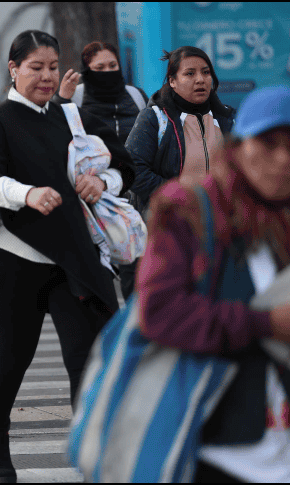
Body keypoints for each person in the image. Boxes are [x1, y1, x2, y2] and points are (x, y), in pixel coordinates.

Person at [0, 30, 134, 483]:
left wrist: (105, 184)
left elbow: (122, 163)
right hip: (11, 260)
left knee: (86, 357)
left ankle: (93, 450)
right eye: (35, 67)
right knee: (13, 355)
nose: (46, 77)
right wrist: (28, 194)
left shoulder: (71, 117)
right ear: (14, 69)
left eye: (52, 67)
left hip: (71, 262)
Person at [136, 85, 290, 483]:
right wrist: (266, 324)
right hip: (215, 446)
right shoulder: (190, 209)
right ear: (239, 147)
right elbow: (159, 314)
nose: (283, 160)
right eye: (268, 143)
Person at [123, 46, 235, 300]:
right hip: (166, 228)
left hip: (219, 229)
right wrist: (180, 197)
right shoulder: (155, 119)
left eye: (206, 73)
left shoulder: (227, 120)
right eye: (189, 73)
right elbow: (133, 170)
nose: (200, 79)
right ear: (172, 81)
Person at [54, 41, 149, 302]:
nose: (107, 72)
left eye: (112, 66)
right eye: (99, 67)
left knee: (134, 262)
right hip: (92, 194)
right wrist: (62, 98)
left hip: (132, 190)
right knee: (98, 266)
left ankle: (133, 322)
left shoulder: (136, 95)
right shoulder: (77, 95)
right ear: (87, 69)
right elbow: (53, 129)